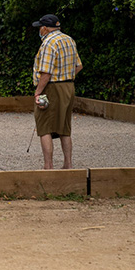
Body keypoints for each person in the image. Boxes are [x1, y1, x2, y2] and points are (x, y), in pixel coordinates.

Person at [32, 14, 83, 169]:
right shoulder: (69, 40)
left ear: (45, 28)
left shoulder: (48, 43)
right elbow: (79, 66)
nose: (40, 30)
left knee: (44, 126)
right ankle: (68, 164)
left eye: (40, 27)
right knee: (65, 128)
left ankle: (48, 166)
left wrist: (38, 92)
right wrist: (66, 77)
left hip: (52, 88)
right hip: (68, 87)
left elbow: (46, 73)